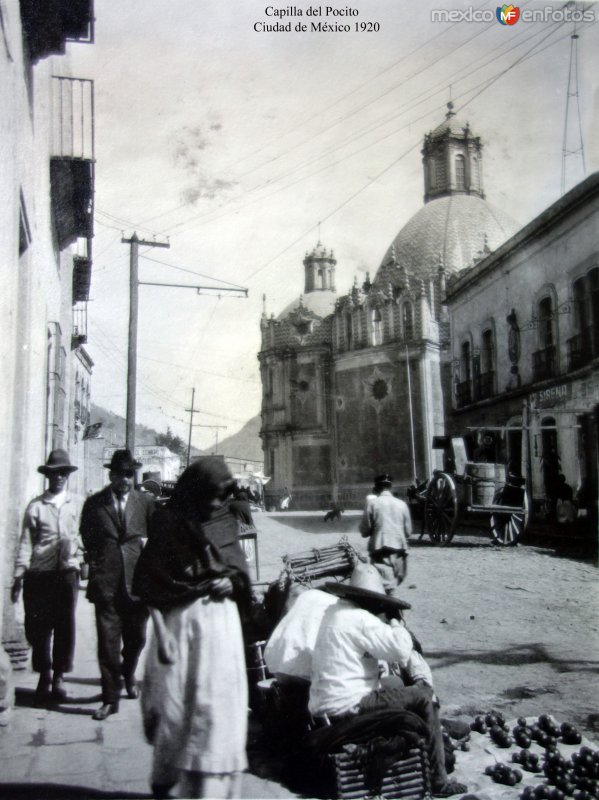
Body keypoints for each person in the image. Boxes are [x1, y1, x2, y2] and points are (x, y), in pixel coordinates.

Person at [132, 457, 252, 800]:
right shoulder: (170, 522)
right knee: (174, 711)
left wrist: (232, 582)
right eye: (212, 495)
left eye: (222, 494)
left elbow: (239, 570)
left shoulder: (224, 520)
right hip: (179, 627)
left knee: (217, 710)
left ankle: (212, 789)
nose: (216, 502)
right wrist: (164, 636)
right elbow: (149, 585)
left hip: (221, 631)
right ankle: (165, 780)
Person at [308, 564, 466, 798]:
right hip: (350, 704)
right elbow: (402, 650)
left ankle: (431, 735)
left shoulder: (334, 612)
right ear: (370, 600)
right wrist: (394, 621)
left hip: (325, 704)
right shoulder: (360, 619)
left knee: (394, 684)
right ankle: (439, 781)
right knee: (424, 696)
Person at [80, 449, 156, 721]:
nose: (125, 478)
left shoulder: (145, 502)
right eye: (119, 474)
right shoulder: (94, 504)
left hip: (138, 583)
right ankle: (110, 699)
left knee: (137, 639)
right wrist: (99, 561)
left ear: (133, 475)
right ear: (110, 475)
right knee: (107, 643)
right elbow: (86, 535)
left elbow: (155, 539)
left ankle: (128, 672)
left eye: (129, 474)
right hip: (107, 582)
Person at [11, 449, 83, 706]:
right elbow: (25, 544)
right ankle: (44, 673)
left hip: (66, 575)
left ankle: (59, 677)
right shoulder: (36, 506)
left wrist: (79, 555)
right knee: (39, 629)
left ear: (68, 476)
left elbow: (83, 536)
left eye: (63, 473)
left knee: (64, 626)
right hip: (39, 575)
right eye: (55, 473)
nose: (59, 478)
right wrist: (19, 575)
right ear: (48, 476)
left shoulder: (75, 505)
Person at [359, 473, 412, 589]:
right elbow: (408, 532)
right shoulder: (402, 505)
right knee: (392, 585)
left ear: (375, 489)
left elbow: (364, 531)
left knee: (383, 588)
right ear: (390, 488)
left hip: (381, 551)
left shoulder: (372, 504)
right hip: (400, 555)